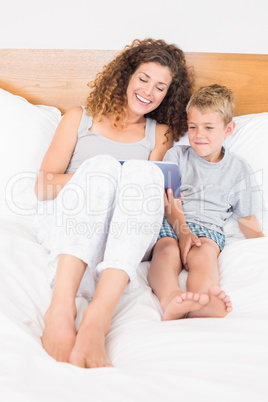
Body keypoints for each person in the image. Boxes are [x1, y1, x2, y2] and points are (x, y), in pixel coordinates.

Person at [34, 38, 193, 368]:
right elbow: (44, 186)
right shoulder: (79, 118)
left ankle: (98, 319)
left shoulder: (159, 133)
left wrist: (185, 231)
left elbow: (161, 197)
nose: (149, 92)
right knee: (105, 168)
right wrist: (101, 178)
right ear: (126, 76)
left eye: (160, 87)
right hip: (74, 224)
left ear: (168, 95)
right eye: (144, 79)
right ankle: (60, 309)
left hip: (125, 235)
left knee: (141, 173)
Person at [148, 84, 265, 320]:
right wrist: (183, 233)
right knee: (165, 251)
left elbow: (246, 218)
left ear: (228, 129)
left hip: (208, 230)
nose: (199, 134)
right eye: (193, 127)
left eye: (209, 127)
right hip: (174, 224)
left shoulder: (239, 168)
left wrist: (262, 244)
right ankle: (170, 299)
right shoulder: (175, 156)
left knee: (205, 257)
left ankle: (203, 300)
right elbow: (171, 201)